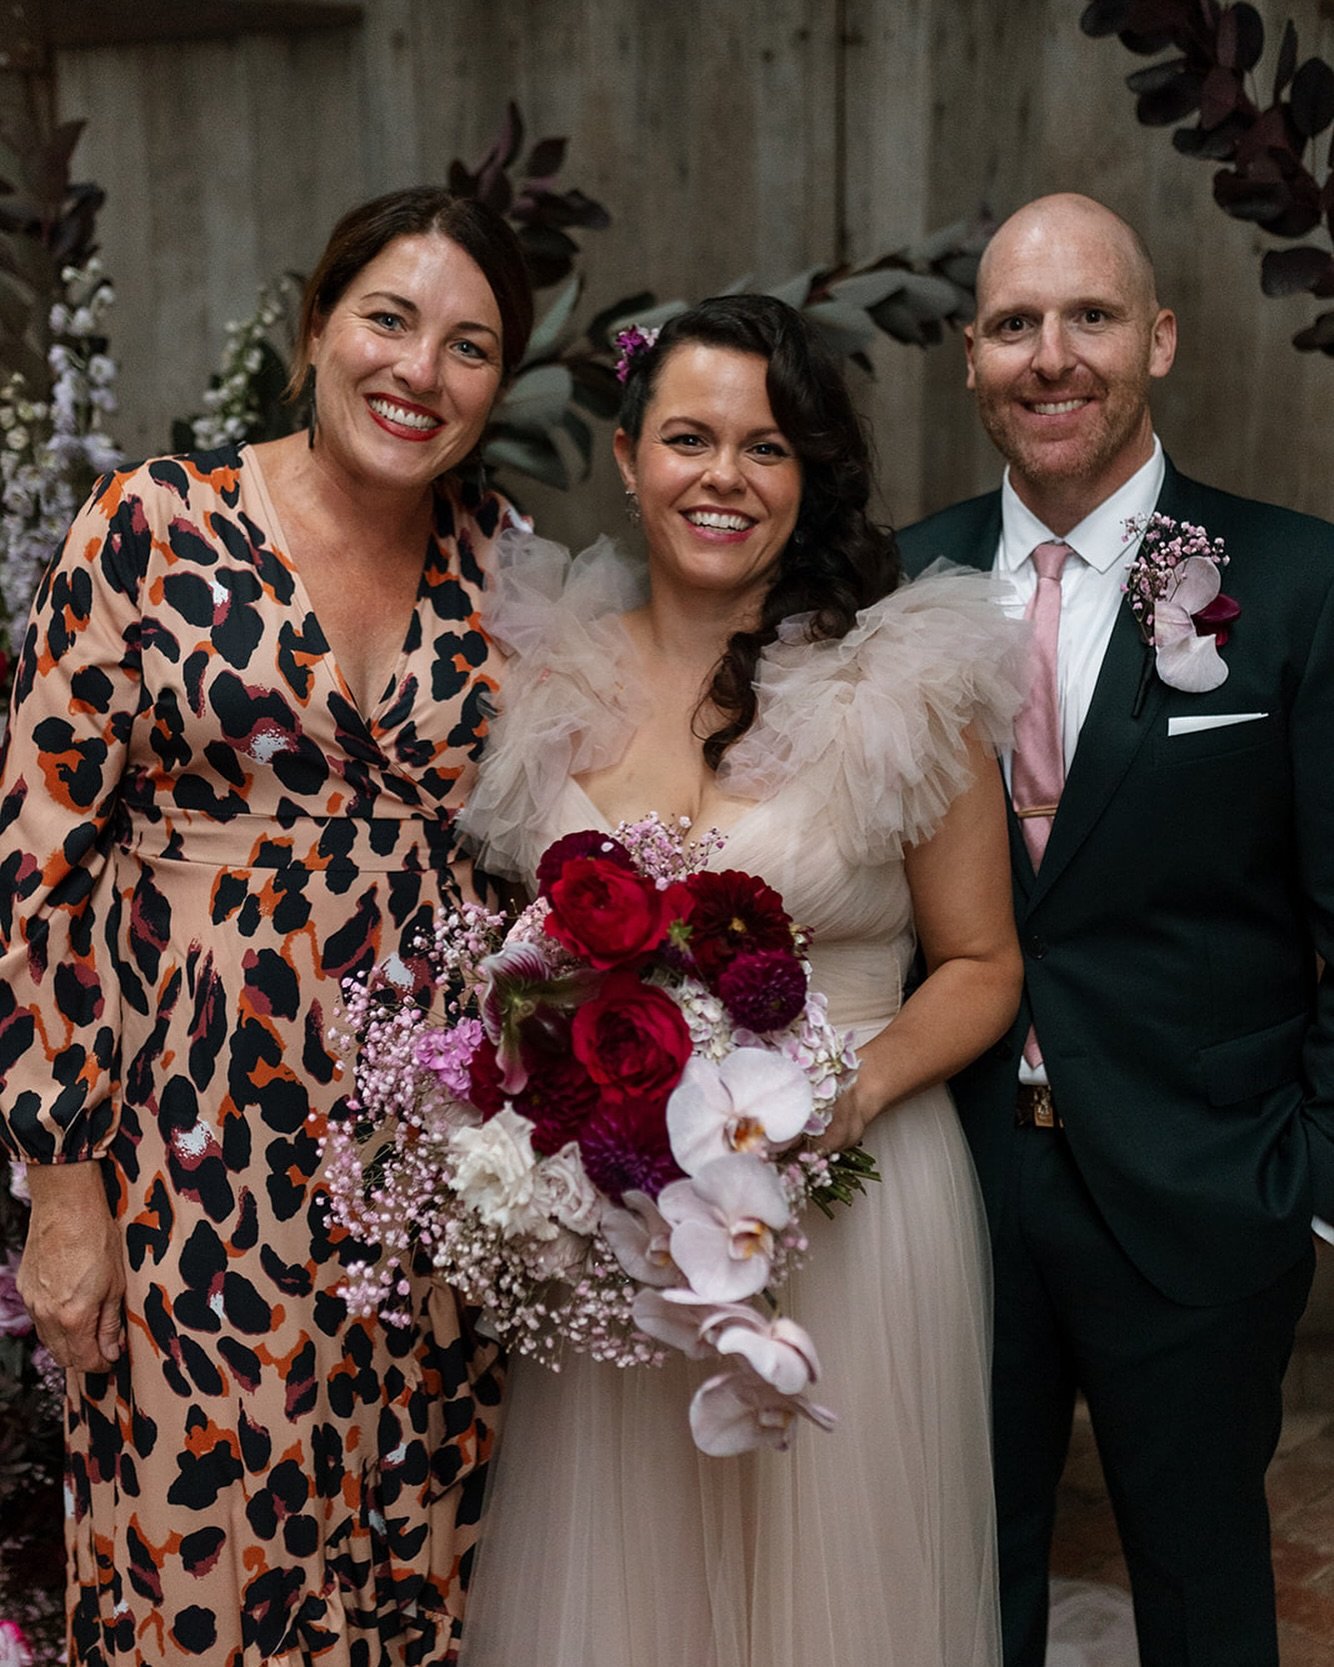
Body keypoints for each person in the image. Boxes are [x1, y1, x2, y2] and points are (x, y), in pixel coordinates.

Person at [0, 185, 534, 1666]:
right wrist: (61, 1184)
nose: (418, 371)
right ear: (315, 325)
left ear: (500, 385)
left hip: (417, 1175)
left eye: (469, 345)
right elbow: (39, 865)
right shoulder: (154, 526)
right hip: (188, 1154)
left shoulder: (506, 561)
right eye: (388, 318)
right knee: (195, 1567)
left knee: (402, 1553)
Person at [454, 293, 1027, 1667]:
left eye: (765, 448)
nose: (723, 477)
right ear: (629, 454)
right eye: (690, 438)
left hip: (847, 1213)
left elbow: (983, 962)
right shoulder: (539, 669)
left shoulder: (902, 680)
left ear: (810, 472)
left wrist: (844, 1092)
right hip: (618, 1231)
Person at [897, 192, 1334, 1667]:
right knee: (964, 1587)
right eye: (1013, 324)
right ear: (970, 359)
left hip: (1203, 1178)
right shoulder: (899, 583)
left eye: (1087, 316)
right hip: (948, 1183)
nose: (1050, 355)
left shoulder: (1293, 583)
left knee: (1206, 1596)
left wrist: (1308, 1177)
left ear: (1155, 337)